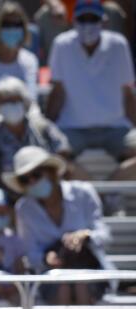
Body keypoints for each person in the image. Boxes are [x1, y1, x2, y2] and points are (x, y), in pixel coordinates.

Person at [46, 0, 136, 188]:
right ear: (73, 21)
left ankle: (108, 192)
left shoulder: (119, 44)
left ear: (103, 21)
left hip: (116, 128)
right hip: (72, 128)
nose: (88, 24)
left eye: (93, 19)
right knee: (52, 158)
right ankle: (96, 193)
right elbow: (57, 92)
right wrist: (48, 128)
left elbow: (127, 93)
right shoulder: (61, 45)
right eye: (82, 19)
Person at [8, 146, 112, 308]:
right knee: (61, 283)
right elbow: (30, 253)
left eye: (36, 174)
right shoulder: (23, 209)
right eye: (24, 179)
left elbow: (104, 235)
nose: (32, 182)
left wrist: (85, 236)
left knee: (81, 282)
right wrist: (46, 258)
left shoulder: (84, 193)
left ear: (52, 172)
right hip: (50, 276)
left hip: (91, 268)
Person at [0, 77, 71, 194]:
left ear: (25, 103)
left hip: (46, 189)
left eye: (15, 101)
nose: (10, 105)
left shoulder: (42, 126)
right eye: (5, 102)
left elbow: (62, 149)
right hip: (12, 194)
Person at [33, 0, 125, 64]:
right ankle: (54, 65)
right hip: (64, 17)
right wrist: (54, 4)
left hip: (92, 9)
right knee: (44, 14)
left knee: (113, 10)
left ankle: (112, 62)